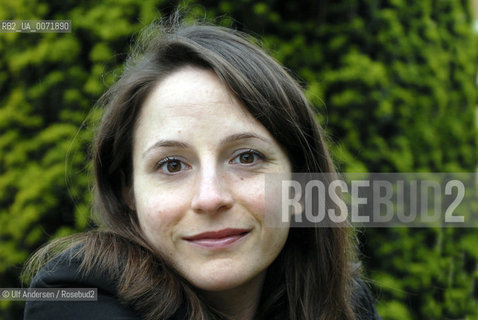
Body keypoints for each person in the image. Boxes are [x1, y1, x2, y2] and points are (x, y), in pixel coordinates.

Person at [23, 17, 381, 320]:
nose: (211, 198)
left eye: (246, 157)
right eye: (172, 164)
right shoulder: (73, 295)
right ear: (127, 190)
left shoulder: (345, 301)